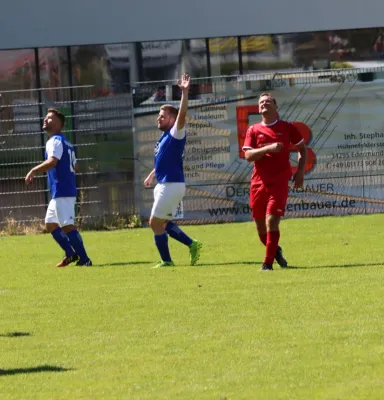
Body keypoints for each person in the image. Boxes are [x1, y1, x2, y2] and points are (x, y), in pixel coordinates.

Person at [243, 93, 307, 271]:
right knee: (261, 229)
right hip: (258, 183)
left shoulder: (287, 128)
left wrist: (300, 172)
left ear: (276, 107)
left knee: (272, 222)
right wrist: (268, 148)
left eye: (268, 101)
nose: (264, 103)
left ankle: (267, 263)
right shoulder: (253, 129)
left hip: (279, 182)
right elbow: (248, 155)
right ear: (258, 108)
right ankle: (275, 250)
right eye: (261, 102)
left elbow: (302, 149)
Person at [144, 73, 202, 268]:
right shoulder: (163, 138)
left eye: (162, 116)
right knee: (163, 224)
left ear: (173, 118)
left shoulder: (177, 132)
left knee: (154, 222)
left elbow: (183, 114)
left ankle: (167, 261)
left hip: (171, 184)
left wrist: (184, 93)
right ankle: (192, 244)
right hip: (165, 184)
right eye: (158, 116)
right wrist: (152, 174)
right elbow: (163, 161)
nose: (159, 119)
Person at [25, 108, 92, 267]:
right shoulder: (66, 142)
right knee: (50, 224)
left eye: (49, 118)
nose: (45, 120)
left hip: (63, 190)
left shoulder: (54, 140)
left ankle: (85, 259)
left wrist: (34, 170)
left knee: (67, 226)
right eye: (45, 118)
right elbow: (75, 167)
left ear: (58, 124)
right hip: (61, 190)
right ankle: (70, 253)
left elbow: (53, 162)